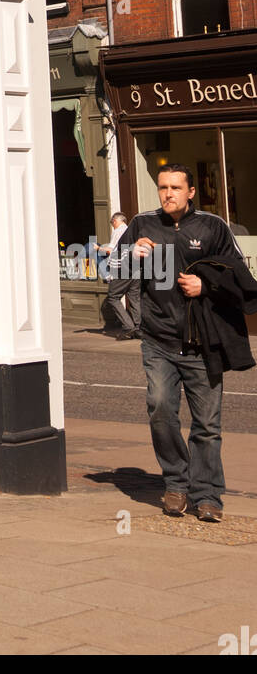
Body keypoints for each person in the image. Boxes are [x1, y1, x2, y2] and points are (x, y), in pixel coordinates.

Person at [108, 164, 256, 523]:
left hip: (203, 343)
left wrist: (207, 287)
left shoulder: (213, 226)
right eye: (162, 187)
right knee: (160, 410)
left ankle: (207, 495)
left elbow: (241, 276)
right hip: (158, 340)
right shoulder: (143, 224)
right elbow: (111, 269)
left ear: (191, 192)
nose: (168, 193)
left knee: (207, 424)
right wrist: (132, 258)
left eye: (175, 187)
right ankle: (176, 484)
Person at [97, 212, 136, 339]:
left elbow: (110, 250)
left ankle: (129, 327)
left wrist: (98, 249)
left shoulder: (118, 231)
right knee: (135, 297)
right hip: (136, 269)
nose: (112, 226)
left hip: (121, 269)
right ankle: (140, 328)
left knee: (113, 297)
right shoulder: (132, 230)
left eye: (112, 223)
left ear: (114, 221)